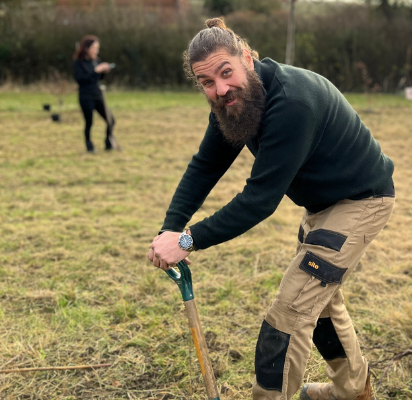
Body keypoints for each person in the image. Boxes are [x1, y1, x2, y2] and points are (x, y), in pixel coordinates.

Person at [148, 18, 395, 400]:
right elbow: (205, 165)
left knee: (288, 316)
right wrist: (171, 227)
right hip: (322, 205)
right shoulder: (233, 104)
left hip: (362, 201)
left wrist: (187, 239)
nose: (220, 89)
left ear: (246, 57)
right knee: (322, 305)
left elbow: (259, 200)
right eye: (207, 83)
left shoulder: (292, 102)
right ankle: (352, 391)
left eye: (226, 73)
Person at [72, 35, 115, 153]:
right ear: (86, 48)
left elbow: (98, 78)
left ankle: (108, 142)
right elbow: (81, 80)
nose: (96, 50)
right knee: (89, 122)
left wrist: (104, 71)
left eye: (97, 48)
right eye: (94, 48)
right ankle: (89, 145)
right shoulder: (78, 63)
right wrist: (96, 71)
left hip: (98, 95)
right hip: (86, 96)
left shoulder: (96, 61)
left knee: (111, 120)